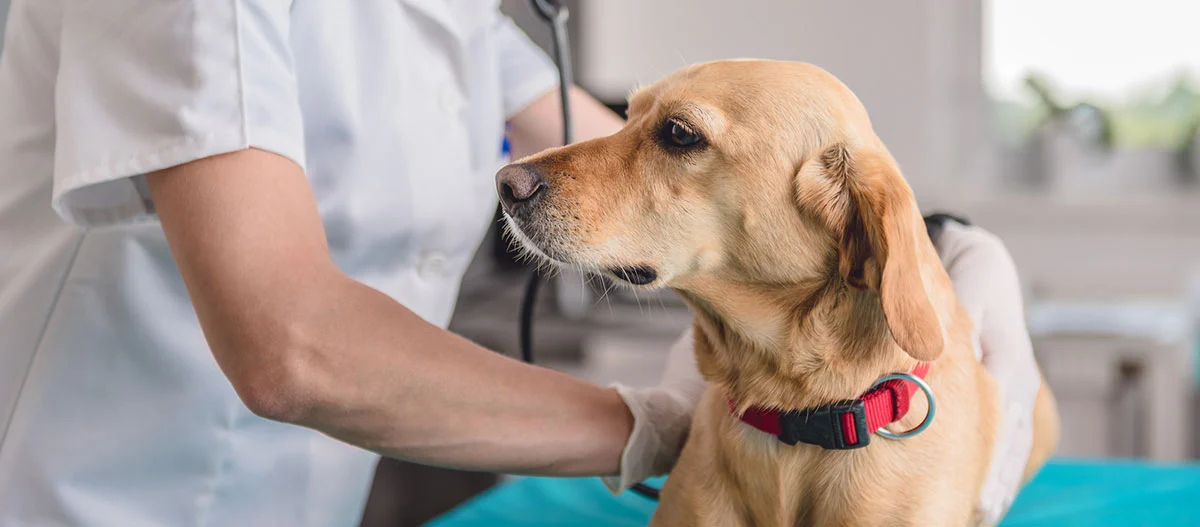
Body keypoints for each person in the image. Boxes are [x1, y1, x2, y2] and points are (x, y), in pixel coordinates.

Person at [0, 0, 1040, 525]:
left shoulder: (453, 13)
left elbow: (650, 165)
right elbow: (292, 346)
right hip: (103, 496)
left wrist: (937, 246)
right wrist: (656, 425)